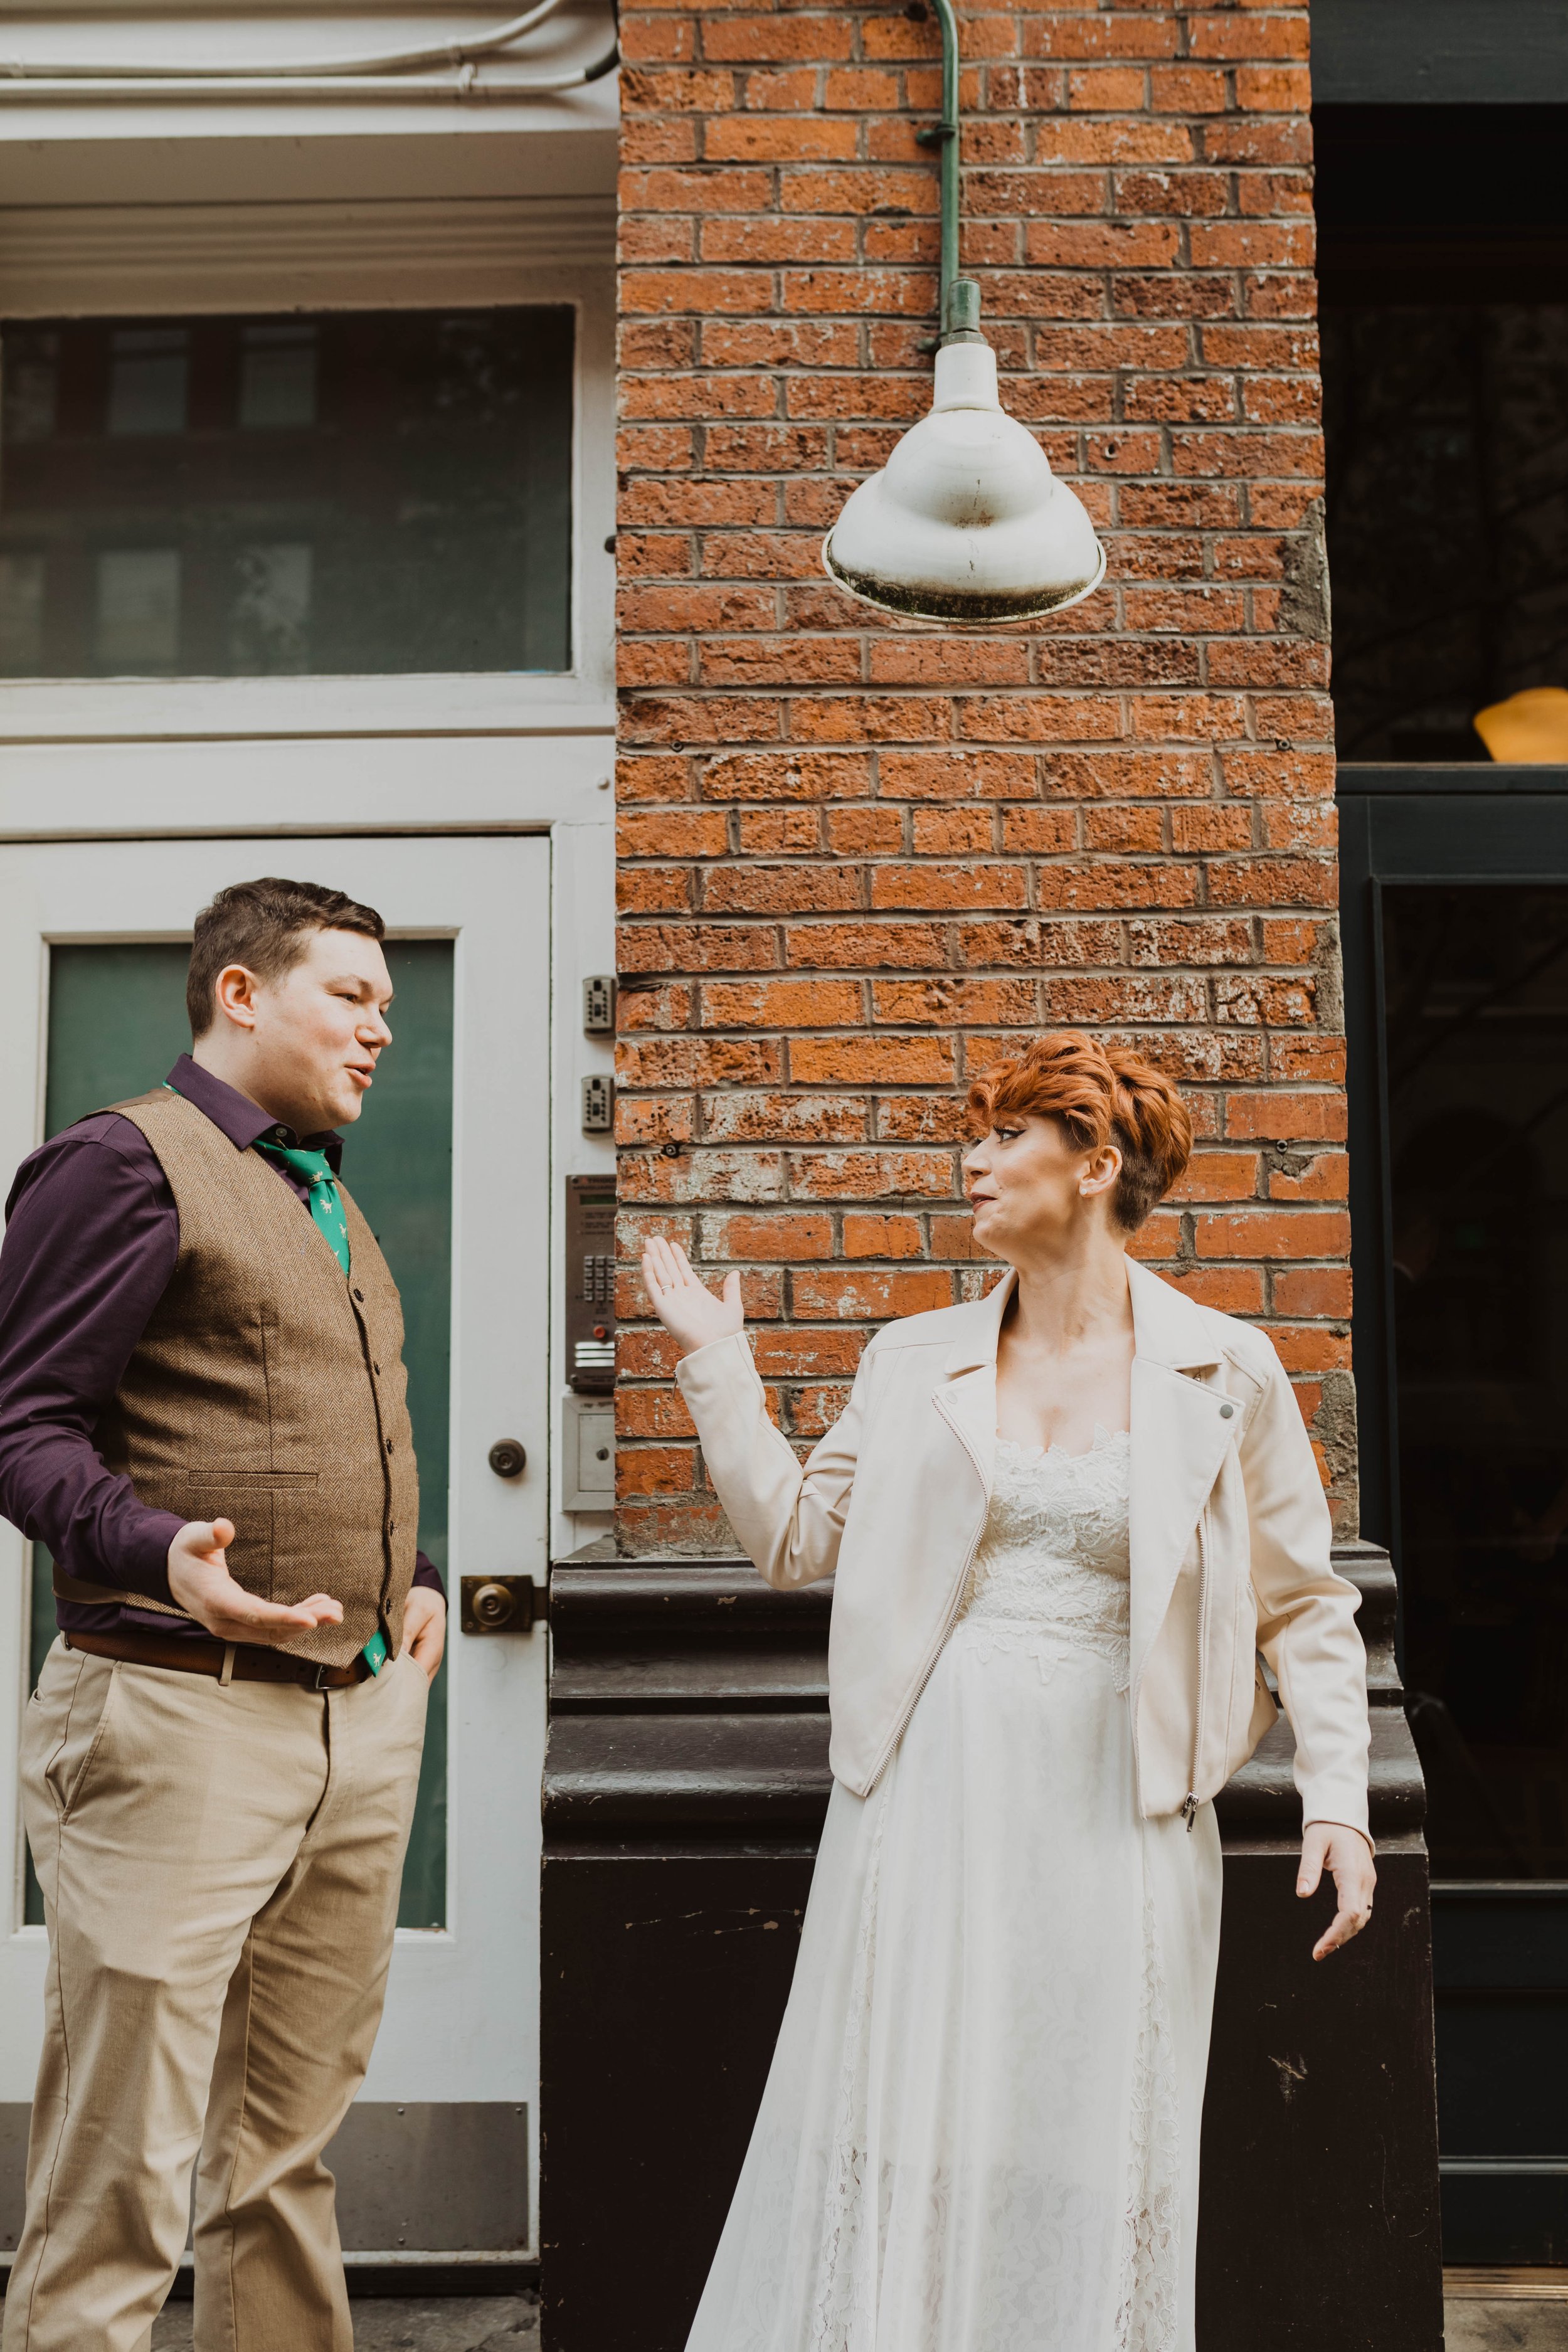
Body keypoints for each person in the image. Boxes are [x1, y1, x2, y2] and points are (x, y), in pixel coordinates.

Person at [640, 1030, 1375, 2352]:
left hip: (1126, 1796)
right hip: (931, 1786)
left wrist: (1339, 1798)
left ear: (1096, 1164)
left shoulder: (1224, 1367)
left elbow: (1304, 1604)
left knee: (1098, 2122)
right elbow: (795, 1540)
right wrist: (716, 1364)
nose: (969, 1163)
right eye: (968, 1136)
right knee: (912, 2117)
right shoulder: (912, 1358)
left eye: (1001, 1138)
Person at [0, 877, 447, 2352]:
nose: (382, 1028)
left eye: (387, 1001)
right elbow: (26, 1426)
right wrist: (148, 1550)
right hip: (176, 1721)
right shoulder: (122, 1163)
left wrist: (413, 1580)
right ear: (239, 996)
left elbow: (314, 1417)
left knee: (278, 2164)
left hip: (357, 1718)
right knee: (120, 2175)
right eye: (351, 996)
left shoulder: (315, 1177)